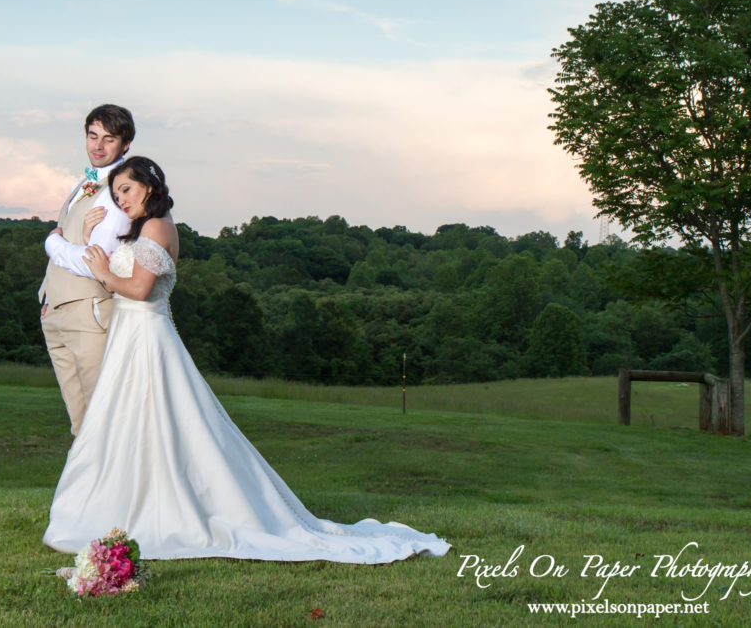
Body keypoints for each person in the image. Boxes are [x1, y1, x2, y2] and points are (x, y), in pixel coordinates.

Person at [42, 156, 450, 563]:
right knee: (127, 423)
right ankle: (123, 503)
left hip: (147, 338)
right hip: (128, 338)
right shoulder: (143, 228)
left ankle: (167, 506)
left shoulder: (158, 226)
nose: (122, 200)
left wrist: (102, 272)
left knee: (161, 422)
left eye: (126, 190)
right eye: (116, 195)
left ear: (148, 185)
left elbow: (141, 288)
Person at [39, 104, 135, 436]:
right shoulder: (86, 183)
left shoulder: (119, 192)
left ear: (125, 145)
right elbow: (74, 242)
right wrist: (47, 297)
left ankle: (118, 487)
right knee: (79, 424)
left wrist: (52, 243)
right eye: (93, 136)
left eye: (109, 139)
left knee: (101, 421)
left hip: (89, 312)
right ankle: (85, 489)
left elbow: (94, 262)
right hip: (56, 312)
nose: (98, 146)